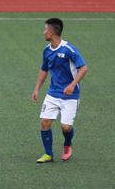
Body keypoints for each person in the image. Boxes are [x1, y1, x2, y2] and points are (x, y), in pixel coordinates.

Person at [31, 18, 88, 163]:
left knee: (66, 127)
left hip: (71, 95)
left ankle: (67, 144)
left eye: (45, 30)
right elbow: (44, 70)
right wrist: (37, 89)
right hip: (53, 93)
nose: (43, 32)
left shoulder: (69, 49)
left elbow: (84, 68)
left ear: (52, 32)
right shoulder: (47, 51)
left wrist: (72, 85)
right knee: (44, 122)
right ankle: (48, 154)